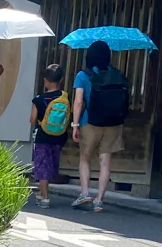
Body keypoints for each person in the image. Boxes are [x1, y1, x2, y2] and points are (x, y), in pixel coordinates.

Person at [71, 40, 130, 212]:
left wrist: (75, 124)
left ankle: (84, 193)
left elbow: (79, 101)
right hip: (113, 122)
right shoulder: (116, 73)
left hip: (90, 122)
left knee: (85, 158)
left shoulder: (83, 75)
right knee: (105, 162)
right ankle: (99, 200)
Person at [29, 63, 70, 207]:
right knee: (51, 164)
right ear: (61, 79)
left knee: (42, 166)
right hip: (59, 136)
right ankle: (41, 193)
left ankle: (45, 197)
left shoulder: (39, 99)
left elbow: (32, 119)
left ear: (45, 80)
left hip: (43, 136)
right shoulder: (65, 97)